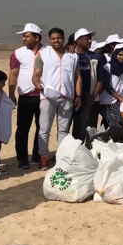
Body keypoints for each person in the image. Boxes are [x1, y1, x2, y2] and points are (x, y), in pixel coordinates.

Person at [33, 27, 81, 170]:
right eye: (53, 38)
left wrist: (78, 95)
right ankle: (44, 157)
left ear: (63, 39)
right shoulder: (43, 54)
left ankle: (61, 157)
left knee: (63, 130)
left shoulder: (73, 56)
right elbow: (36, 75)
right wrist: (37, 84)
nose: (56, 41)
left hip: (67, 96)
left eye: (59, 38)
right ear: (49, 40)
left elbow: (77, 77)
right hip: (48, 97)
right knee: (44, 129)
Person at [9, 23, 43, 169]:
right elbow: (13, 74)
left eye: (27, 36)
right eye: (24, 36)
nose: (24, 38)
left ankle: (37, 155)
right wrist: (11, 94)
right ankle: (22, 158)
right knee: (23, 128)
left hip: (43, 96)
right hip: (26, 96)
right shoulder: (18, 53)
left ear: (37, 37)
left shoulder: (48, 51)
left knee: (42, 128)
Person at [70, 28, 99, 141]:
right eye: (86, 39)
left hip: (86, 97)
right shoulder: (69, 55)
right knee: (65, 126)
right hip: (69, 96)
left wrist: (93, 96)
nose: (89, 41)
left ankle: (79, 148)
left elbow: (100, 78)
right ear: (78, 40)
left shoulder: (94, 57)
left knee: (81, 128)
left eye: (90, 39)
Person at [98, 44, 123, 129]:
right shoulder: (107, 67)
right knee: (116, 122)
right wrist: (119, 97)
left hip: (120, 101)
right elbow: (106, 85)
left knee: (117, 121)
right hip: (108, 101)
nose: (122, 57)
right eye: (120, 55)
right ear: (115, 54)